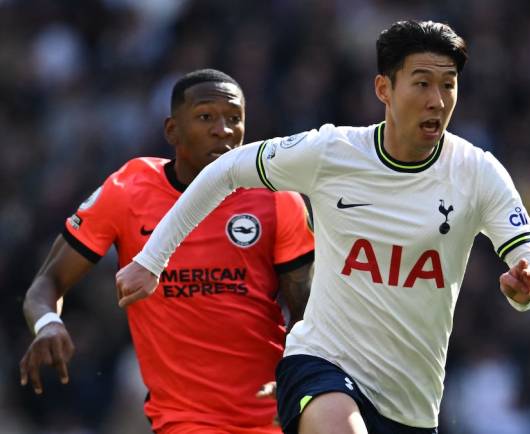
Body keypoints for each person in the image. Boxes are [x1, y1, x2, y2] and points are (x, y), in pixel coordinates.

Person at [116, 21, 530, 434]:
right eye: (422, 83)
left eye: (448, 85)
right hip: (322, 363)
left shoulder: (477, 173)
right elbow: (225, 170)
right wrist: (152, 258)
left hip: (411, 402)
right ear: (384, 88)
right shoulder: (332, 153)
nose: (437, 100)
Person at [19, 69, 315, 434]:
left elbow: (307, 312)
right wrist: (48, 324)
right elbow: (47, 281)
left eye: (234, 118)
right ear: (172, 130)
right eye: (206, 116)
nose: (223, 129)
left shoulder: (276, 198)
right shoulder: (128, 189)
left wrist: (301, 380)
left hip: (273, 413)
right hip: (184, 419)